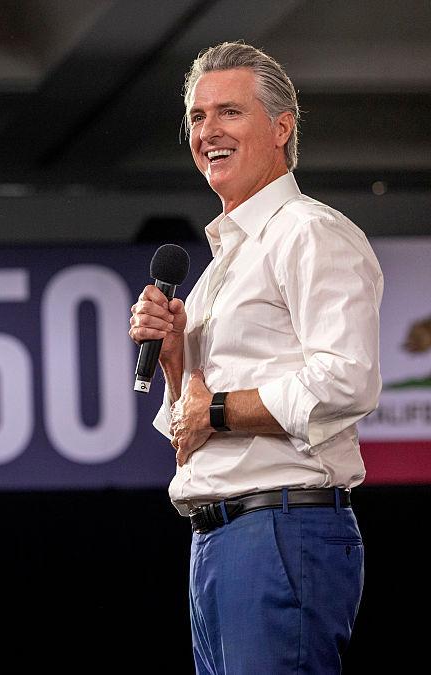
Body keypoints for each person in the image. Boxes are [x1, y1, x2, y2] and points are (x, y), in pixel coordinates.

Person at [128, 42, 383, 674]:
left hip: (279, 532)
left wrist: (213, 409)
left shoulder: (307, 232)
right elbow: (192, 422)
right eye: (196, 117)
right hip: (220, 539)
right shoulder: (223, 264)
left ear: (281, 127)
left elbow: (346, 380)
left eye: (228, 113)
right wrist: (173, 358)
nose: (207, 131)